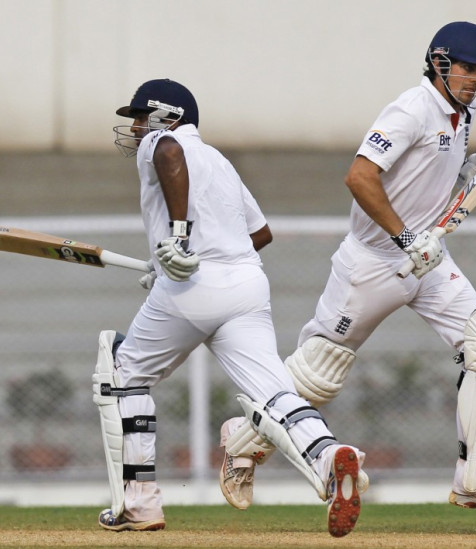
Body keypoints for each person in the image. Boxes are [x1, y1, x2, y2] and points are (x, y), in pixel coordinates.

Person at [220, 21, 476, 515]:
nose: (475, 78)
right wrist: (404, 238)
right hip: (374, 261)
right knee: (319, 377)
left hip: (429, 260)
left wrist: (463, 178)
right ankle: (241, 441)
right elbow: (359, 177)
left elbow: (421, 178)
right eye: (468, 67)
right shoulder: (411, 108)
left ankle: (475, 480)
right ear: (440, 63)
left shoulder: (459, 114)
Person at [91, 78, 366, 537]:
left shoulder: (164, 141)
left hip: (192, 288)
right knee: (275, 395)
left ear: (167, 116)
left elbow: (169, 155)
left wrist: (178, 241)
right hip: (247, 284)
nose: (136, 127)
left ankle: (138, 503)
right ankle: (328, 458)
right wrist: (178, 256)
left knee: (123, 375)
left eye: (141, 116)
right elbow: (260, 234)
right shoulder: (220, 160)